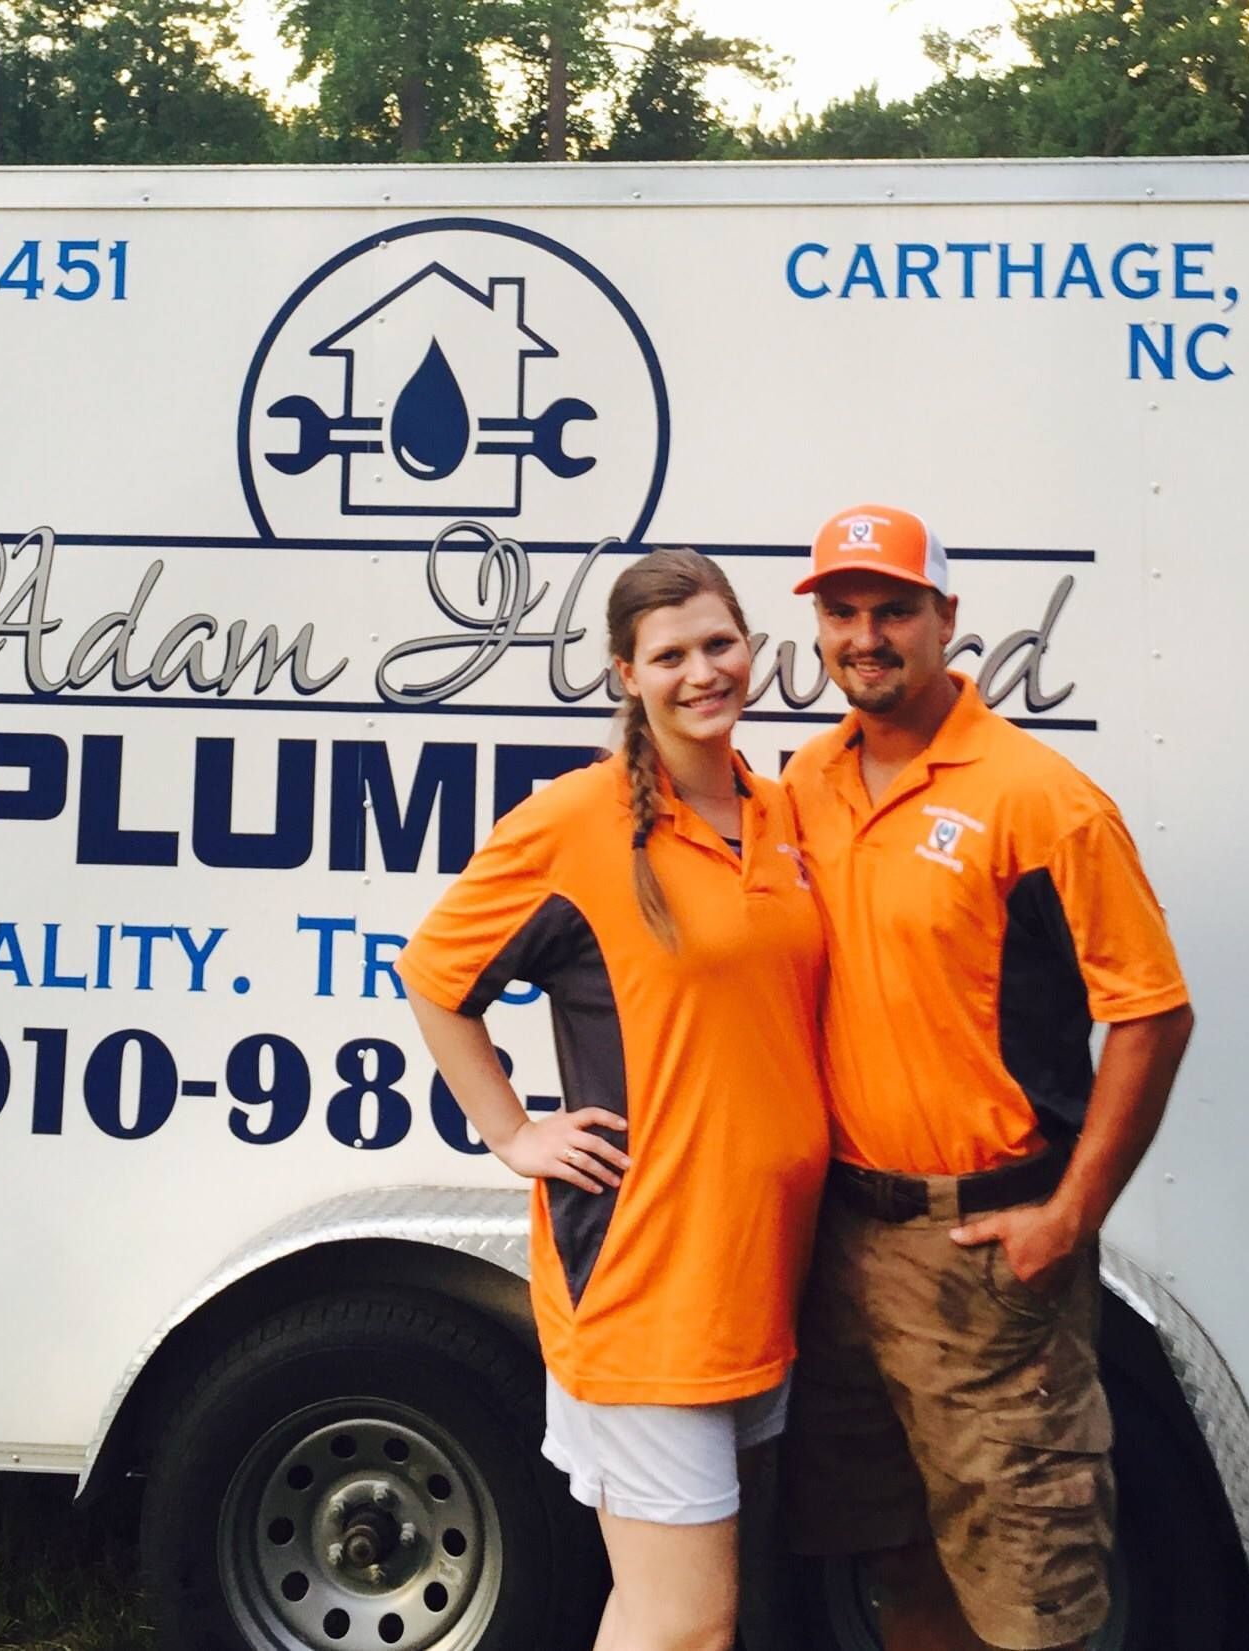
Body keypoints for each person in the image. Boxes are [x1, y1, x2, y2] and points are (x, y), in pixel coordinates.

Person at [778, 505, 1195, 1651]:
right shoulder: (803, 782)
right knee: (895, 1560)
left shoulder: (1037, 798)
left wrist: (1070, 1212)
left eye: (893, 609)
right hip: (841, 1243)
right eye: (841, 611)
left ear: (946, 620)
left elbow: (1151, 1015)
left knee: (1028, 1593)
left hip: (983, 1259)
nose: (866, 635)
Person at [397, 548, 830, 1651]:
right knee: (690, 1621)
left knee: (658, 1607)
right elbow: (435, 974)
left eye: (718, 644)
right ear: (625, 674)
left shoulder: (778, 814)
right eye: (670, 654)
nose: (701, 671)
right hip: (649, 1280)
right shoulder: (577, 821)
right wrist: (511, 1131)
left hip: (763, 1273)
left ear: (752, 649)